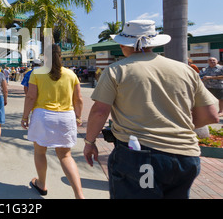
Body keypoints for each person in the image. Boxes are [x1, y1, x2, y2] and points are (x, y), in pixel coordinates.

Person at [84, 20, 219, 199]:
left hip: (139, 155)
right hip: (186, 156)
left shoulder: (116, 70)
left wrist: (89, 142)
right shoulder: (186, 70)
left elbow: (100, 111)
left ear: (124, 44)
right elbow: (211, 115)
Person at [21, 45, 84, 199]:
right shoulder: (71, 74)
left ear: (45, 57)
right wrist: (78, 117)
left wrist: (24, 116)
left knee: (40, 151)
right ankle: (79, 195)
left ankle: (42, 184)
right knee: (65, 155)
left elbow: (30, 97)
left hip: (43, 116)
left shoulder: (37, 73)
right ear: (61, 56)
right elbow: (79, 99)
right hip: (66, 116)